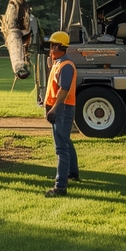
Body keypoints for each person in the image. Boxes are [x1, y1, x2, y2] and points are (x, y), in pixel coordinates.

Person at [43, 30, 78, 197]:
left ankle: (60, 187)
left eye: (51, 44)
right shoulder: (59, 63)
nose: (50, 47)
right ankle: (72, 173)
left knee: (61, 148)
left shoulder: (66, 66)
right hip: (60, 107)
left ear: (58, 46)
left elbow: (64, 89)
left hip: (62, 108)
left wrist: (54, 109)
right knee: (65, 141)